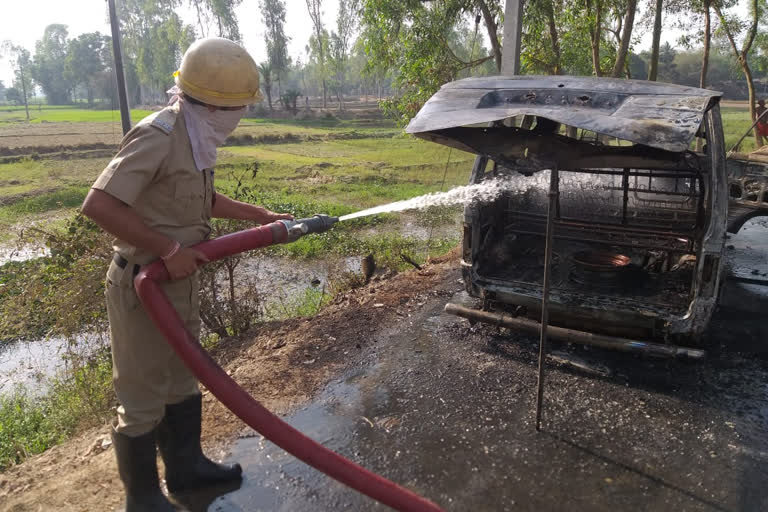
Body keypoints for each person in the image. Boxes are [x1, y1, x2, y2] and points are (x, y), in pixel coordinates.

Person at [81, 37, 293, 511]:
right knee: (141, 394)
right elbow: (100, 204)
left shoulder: (197, 135)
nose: (240, 117)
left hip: (178, 284)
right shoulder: (157, 135)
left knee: (181, 378)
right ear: (215, 104)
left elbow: (202, 200)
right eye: (237, 107)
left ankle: (187, 470)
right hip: (143, 285)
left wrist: (255, 215)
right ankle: (143, 498)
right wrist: (167, 247)